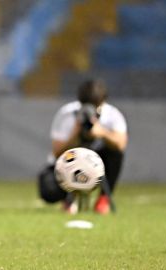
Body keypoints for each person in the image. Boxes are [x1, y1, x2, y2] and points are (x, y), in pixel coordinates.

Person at [37, 79, 127, 215]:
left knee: (115, 153)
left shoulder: (112, 115)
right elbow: (57, 152)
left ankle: (103, 199)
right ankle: (69, 198)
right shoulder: (67, 113)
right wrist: (75, 134)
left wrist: (101, 132)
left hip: (97, 162)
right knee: (48, 192)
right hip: (68, 161)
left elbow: (121, 144)